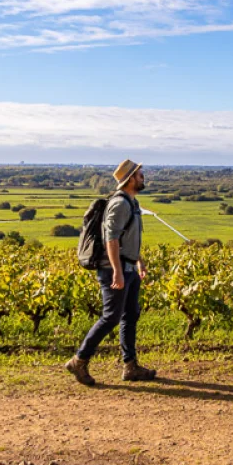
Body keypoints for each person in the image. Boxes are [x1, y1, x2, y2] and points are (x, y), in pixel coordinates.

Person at [65, 159, 157, 386]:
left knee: (130, 315)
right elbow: (111, 238)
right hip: (114, 269)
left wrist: (139, 261)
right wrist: (117, 271)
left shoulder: (132, 202)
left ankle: (130, 366)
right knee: (111, 317)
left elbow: (129, 238)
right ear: (130, 180)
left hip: (128, 267)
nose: (142, 176)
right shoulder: (120, 204)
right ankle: (79, 360)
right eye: (139, 174)